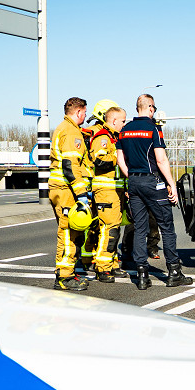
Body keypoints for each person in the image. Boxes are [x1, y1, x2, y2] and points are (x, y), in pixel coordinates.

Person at [116, 94, 194, 290]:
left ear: (137, 109)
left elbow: (120, 160)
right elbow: (161, 160)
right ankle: (174, 272)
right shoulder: (154, 129)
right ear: (150, 108)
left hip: (133, 183)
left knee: (140, 229)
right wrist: (172, 185)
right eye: (154, 109)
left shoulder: (124, 131)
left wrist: (131, 177)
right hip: (153, 183)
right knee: (166, 227)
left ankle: (142, 275)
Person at [48, 97, 93, 292]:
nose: (84, 116)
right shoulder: (71, 131)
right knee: (68, 232)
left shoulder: (64, 128)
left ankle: (67, 271)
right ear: (78, 112)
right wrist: (82, 193)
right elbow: (70, 166)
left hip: (63, 188)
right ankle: (64, 277)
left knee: (71, 232)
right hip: (66, 189)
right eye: (84, 112)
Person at [84, 100, 129, 283]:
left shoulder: (113, 137)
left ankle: (112, 263)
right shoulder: (103, 137)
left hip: (115, 189)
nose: (125, 124)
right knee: (108, 229)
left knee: (115, 228)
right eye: (123, 121)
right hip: (105, 189)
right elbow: (100, 161)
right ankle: (103, 268)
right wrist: (118, 156)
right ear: (114, 120)